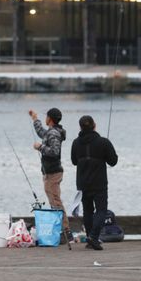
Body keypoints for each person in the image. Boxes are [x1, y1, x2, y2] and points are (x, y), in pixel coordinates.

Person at [71, 115, 118, 250]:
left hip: (82, 182)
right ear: (94, 125)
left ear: (80, 127)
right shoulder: (103, 142)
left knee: (88, 211)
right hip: (99, 182)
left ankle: (90, 238)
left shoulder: (75, 142)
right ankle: (93, 236)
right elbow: (113, 161)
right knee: (101, 210)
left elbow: (74, 161)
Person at [29, 107, 73, 243]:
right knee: (54, 200)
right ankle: (64, 232)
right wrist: (35, 119)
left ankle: (66, 233)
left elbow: (54, 151)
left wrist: (40, 147)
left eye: (46, 116)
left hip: (53, 173)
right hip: (50, 172)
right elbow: (42, 133)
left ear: (50, 119)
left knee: (55, 201)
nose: (45, 118)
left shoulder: (53, 134)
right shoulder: (52, 132)